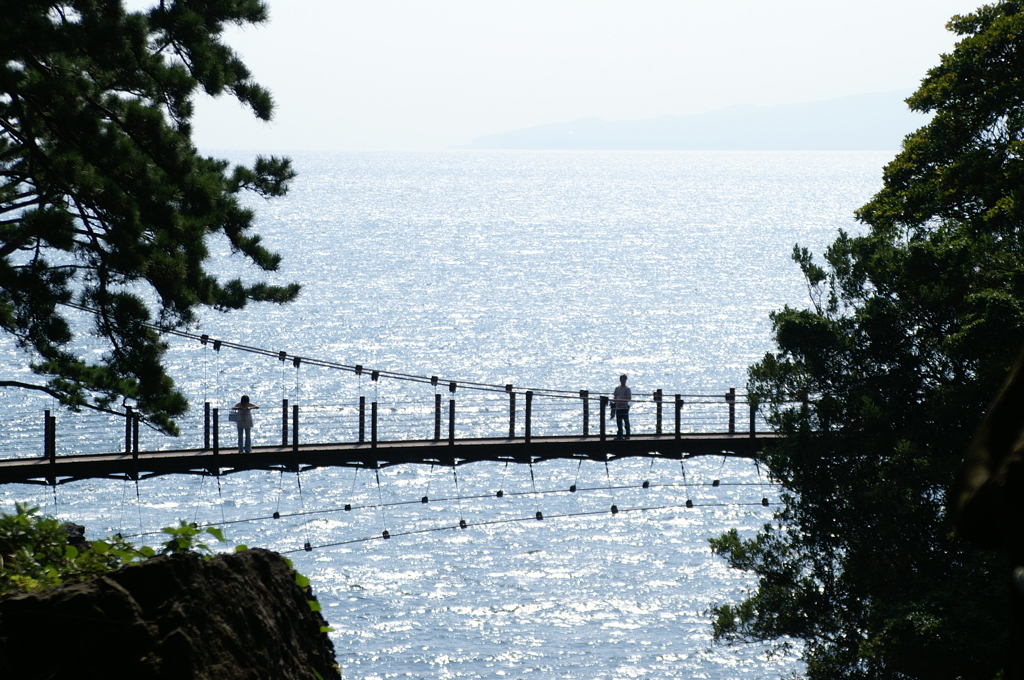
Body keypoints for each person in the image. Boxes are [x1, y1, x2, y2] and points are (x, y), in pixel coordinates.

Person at [613, 374, 631, 439]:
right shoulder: (617, 388)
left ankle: (627, 434)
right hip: (618, 407)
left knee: (626, 421)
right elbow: (615, 396)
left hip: (624, 407)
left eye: (624, 380)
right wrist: (615, 401)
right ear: (620, 380)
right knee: (619, 421)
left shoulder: (627, 389)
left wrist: (621, 400)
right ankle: (620, 434)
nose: (623, 381)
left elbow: (629, 398)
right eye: (622, 380)